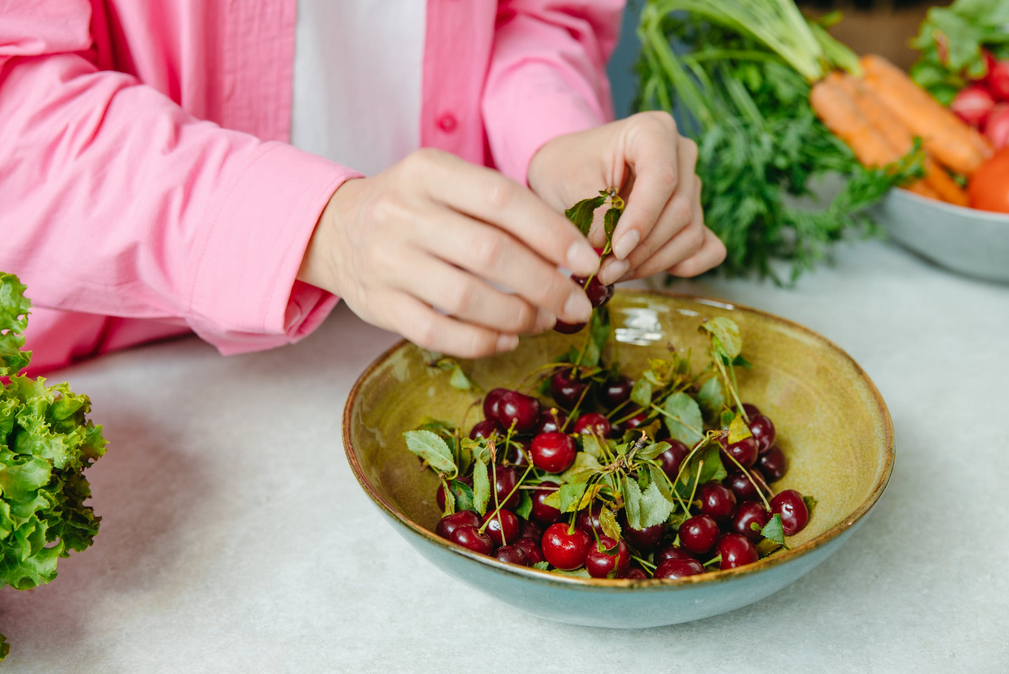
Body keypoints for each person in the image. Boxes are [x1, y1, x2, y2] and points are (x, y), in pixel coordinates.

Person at [0, 1, 726, 374]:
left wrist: (550, 138)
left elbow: (532, 16)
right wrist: (318, 226)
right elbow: (16, 113)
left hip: (426, 331)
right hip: (127, 366)